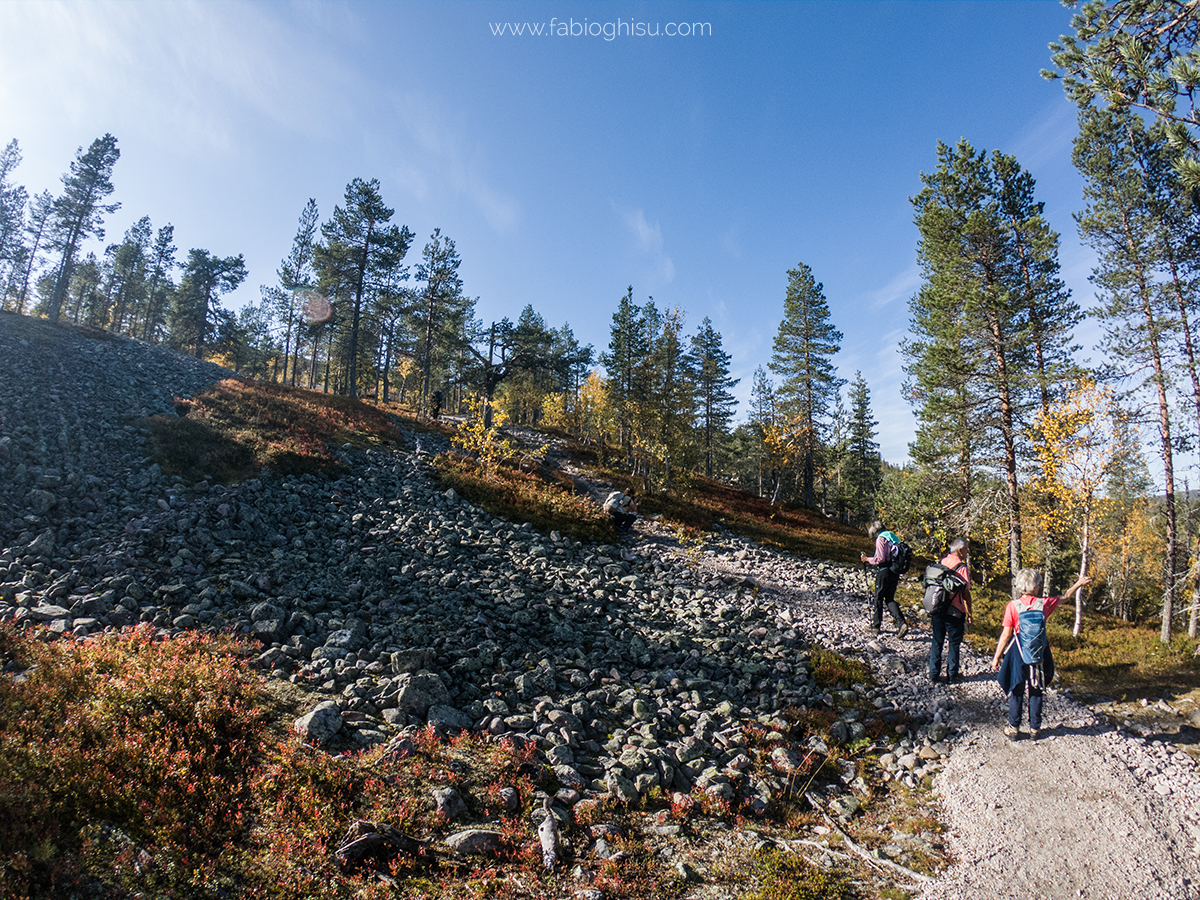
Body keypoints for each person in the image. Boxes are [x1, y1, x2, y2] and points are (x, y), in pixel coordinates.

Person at [991, 568, 1090, 740]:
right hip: (1038, 650)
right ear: (1035, 586)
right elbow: (1065, 597)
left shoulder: (1012, 606)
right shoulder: (1043, 603)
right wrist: (1078, 584)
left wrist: (996, 657)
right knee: (1036, 688)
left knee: (1017, 688)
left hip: (1018, 650)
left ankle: (1014, 728)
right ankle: (1035, 729)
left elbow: (1006, 634)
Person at [928, 537, 973, 684]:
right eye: (966, 549)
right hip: (955, 611)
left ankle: (934, 674)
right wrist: (969, 613)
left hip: (937, 607)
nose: (967, 552)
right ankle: (952, 675)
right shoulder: (962, 568)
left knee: (937, 640)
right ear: (960, 550)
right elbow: (966, 593)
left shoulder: (941, 563)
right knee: (954, 643)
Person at [860, 520, 909, 639]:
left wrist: (867, 559)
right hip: (894, 571)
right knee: (889, 598)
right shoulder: (892, 536)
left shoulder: (881, 539)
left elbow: (880, 558)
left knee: (878, 597)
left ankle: (876, 626)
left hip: (884, 571)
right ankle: (901, 623)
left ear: (875, 530)